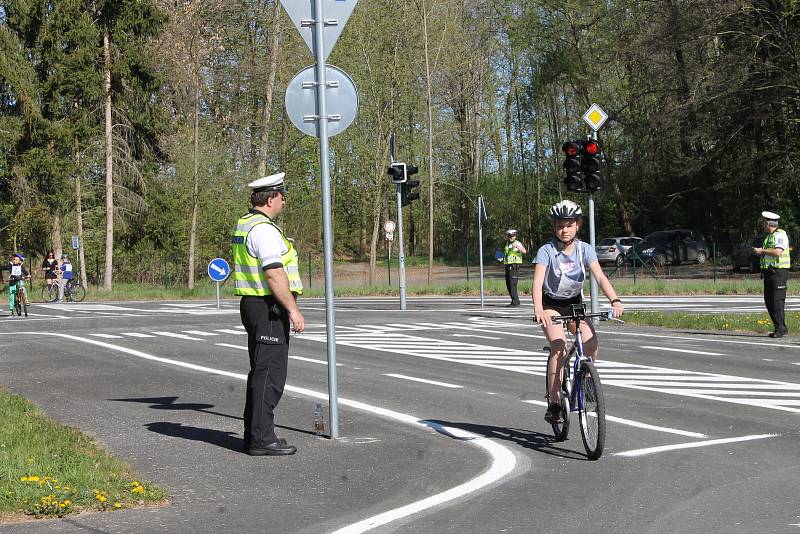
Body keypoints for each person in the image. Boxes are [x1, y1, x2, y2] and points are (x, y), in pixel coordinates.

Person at [231, 172, 305, 456]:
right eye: (282, 197)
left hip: (256, 305)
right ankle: (261, 439)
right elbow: (274, 273)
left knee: (261, 371)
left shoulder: (247, 223)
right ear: (271, 198)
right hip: (268, 307)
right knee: (270, 374)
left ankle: (256, 434)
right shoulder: (263, 230)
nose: (284, 202)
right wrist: (293, 310)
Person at [532, 200, 624, 424]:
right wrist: (538, 310)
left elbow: (600, 277)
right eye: (560, 225)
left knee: (591, 342)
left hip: (574, 303)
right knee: (560, 348)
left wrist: (615, 300)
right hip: (551, 304)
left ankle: (586, 380)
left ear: (577, 226)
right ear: (554, 227)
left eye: (569, 225)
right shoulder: (547, 251)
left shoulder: (585, 249)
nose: (564, 229)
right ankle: (554, 403)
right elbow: (537, 282)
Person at [753, 210, 790, 338]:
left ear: (769, 224)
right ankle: (778, 326)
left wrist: (762, 251)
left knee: (777, 301)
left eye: (764, 223)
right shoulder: (768, 236)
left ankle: (781, 328)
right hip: (769, 273)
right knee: (769, 301)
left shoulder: (780, 235)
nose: (763, 225)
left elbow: (778, 252)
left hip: (778, 272)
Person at [502, 229, 527, 307]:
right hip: (507, 266)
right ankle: (513, 300)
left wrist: (517, 247)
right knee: (508, 284)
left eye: (512, 236)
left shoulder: (517, 243)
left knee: (513, 284)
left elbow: (524, 251)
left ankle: (515, 302)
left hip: (514, 266)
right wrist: (498, 258)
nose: (511, 237)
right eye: (509, 236)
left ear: (515, 236)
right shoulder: (506, 244)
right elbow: (504, 254)